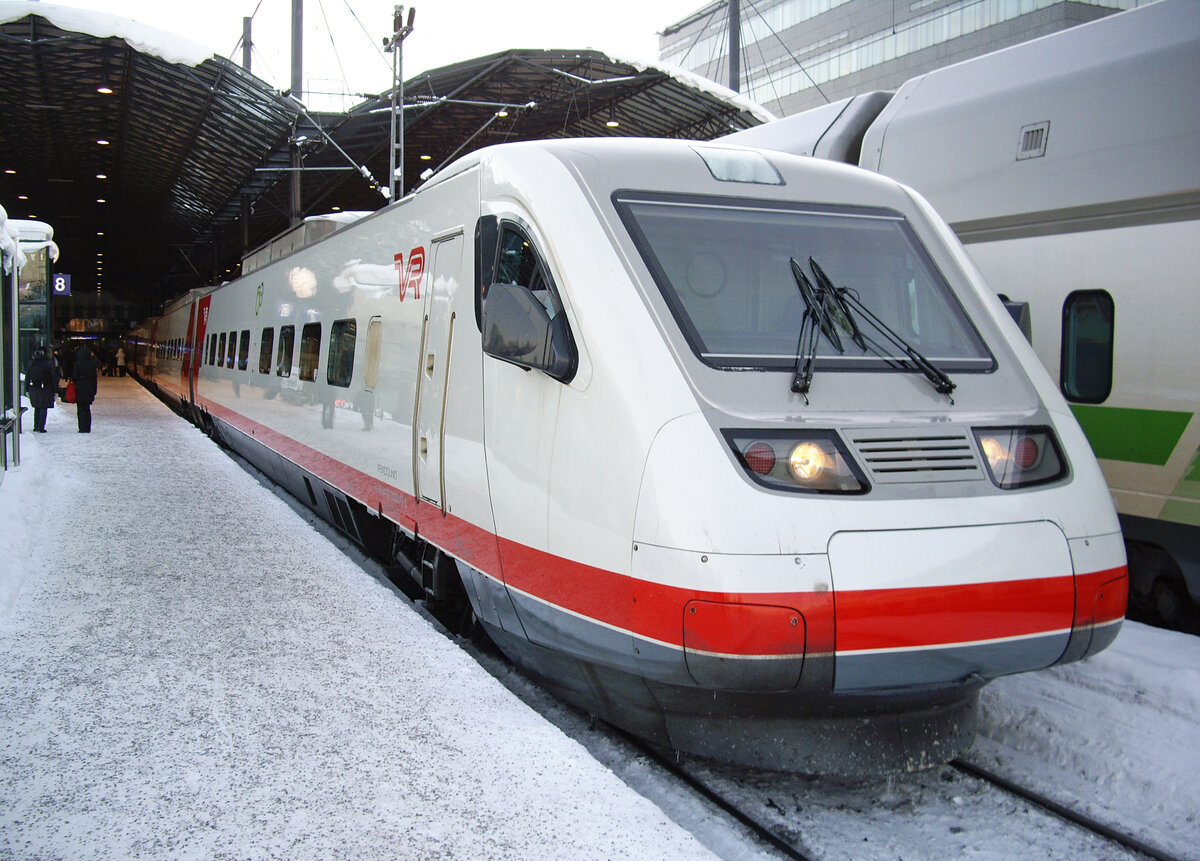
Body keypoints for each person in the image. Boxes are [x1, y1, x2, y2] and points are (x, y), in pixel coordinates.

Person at [24, 345, 60, 433]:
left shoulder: (31, 363)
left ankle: (36, 426)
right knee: (44, 407)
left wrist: (27, 389)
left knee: (37, 407)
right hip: (46, 388)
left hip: (34, 387)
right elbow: (53, 377)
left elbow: (27, 377)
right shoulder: (48, 363)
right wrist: (55, 390)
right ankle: (41, 427)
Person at [71, 344, 99, 433]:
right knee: (87, 408)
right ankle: (87, 427)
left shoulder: (77, 363)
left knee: (80, 409)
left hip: (79, 387)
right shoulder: (92, 364)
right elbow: (94, 378)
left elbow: (74, 376)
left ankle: (82, 427)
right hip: (89, 387)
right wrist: (94, 390)